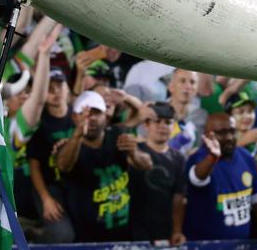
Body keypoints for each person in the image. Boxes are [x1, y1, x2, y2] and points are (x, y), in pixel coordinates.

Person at [55, 89, 151, 242]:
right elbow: (63, 166)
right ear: (74, 117)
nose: (91, 118)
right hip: (88, 239)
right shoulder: (67, 145)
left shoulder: (117, 134)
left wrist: (134, 153)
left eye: (96, 112)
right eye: (84, 113)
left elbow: (147, 164)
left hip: (124, 236)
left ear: (106, 116)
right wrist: (77, 135)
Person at [181, 112, 257, 242]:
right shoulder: (199, 159)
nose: (229, 137)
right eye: (222, 132)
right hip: (205, 245)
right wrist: (212, 158)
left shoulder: (245, 156)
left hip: (242, 243)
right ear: (207, 135)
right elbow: (197, 178)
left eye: (232, 131)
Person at [129, 101, 187, 244]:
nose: (162, 126)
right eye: (157, 121)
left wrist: (177, 230)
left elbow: (178, 198)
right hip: (132, 230)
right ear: (146, 125)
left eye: (168, 122)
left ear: (174, 126)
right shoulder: (133, 151)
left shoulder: (179, 158)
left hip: (165, 231)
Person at [27, 69, 75, 243]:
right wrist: (46, 198)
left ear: (68, 88)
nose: (55, 92)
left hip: (78, 185)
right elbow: (34, 166)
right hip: (49, 187)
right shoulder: (37, 123)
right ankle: (37, 238)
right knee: (64, 236)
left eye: (59, 86)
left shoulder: (79, 117)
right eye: (49, 88)